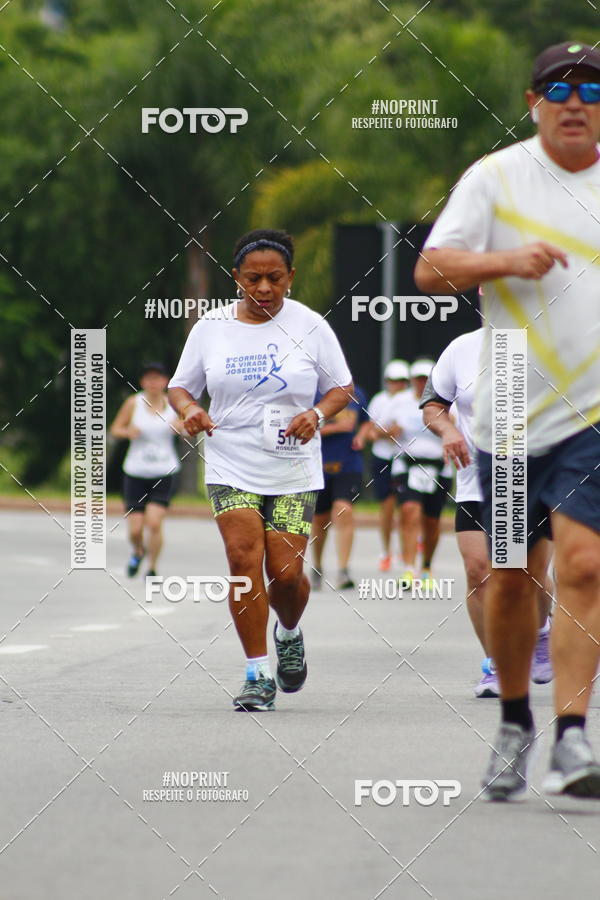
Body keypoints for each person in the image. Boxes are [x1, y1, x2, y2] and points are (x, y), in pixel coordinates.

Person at [415, 42, 600, 799]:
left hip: (593, 414)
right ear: (533, 102)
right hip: (514, 414)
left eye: (592, 90)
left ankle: (573, 736)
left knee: (584, 565)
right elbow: (431, 268)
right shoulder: (495, 177)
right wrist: (504, 261)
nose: (576, 102)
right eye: (559, 89)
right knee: (515, 576)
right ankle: (516, 722)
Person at [168, 229, 353, 712]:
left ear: (291, 276)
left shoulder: (310, 325)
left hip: (293, 465)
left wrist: (317, 414)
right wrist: (190, 409)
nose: (265, 288)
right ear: (237, 278)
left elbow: (342, 388)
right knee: (241, 559)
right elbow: (180, 387)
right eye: (253, 279)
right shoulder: (211, 327)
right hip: (230, 461)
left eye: (275, 278)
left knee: (286, 574)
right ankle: (257, 673)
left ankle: (288, 632)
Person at [420, 328, 554, 697]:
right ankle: (495, 664)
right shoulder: (461, 348)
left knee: (528, 573)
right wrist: (448, 431)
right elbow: (432, 405)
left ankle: (542, 631)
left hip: (533, 478)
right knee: (479, 572)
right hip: (475, 480)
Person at [110, 362, 183, 577]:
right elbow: (115, 429)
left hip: (164, 471)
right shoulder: (133, 403)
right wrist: (128, 432)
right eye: (149, 378)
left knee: (154, 523)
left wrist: (180, 428)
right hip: (135, 472)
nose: (153, 382)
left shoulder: (173, 405)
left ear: (165, 381)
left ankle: (152, 567)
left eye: (157, 378)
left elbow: (188, 428)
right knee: (135, 530)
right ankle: (138, 551)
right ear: (143, 382)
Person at [389, 359, 452, 588]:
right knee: (409, 511)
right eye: (418, 379)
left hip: (438, 466)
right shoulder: (399, 401)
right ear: (412, 380)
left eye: (426, 379)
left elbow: (458, 427)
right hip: (408, 465)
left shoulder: (447, 400)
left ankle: (426, 567)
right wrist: (391, 431)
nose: (422, 383)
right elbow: (378, 429)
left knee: (432, 520)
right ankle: (408, 568)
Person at [310, 385, 368, 591]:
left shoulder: (356, 393)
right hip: (319, 465)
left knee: (344, 510)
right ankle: (317, 567)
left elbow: (364, 422)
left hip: (348, 465)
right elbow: (306, 428)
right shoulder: (312, 393)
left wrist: (361, 436)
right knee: (319, 519)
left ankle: (343, 570)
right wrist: (337, 427)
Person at [354, 360, 410, 571]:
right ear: (387, 381)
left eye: (401, 380)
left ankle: (406, 551)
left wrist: (382, 432)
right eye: (393, 380)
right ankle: (386, 552)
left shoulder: (410, 400)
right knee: (386, 506)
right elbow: (370, 432)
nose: (397, 384)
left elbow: (402, 430)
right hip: (383, 458)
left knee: (408, 507)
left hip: (404, 458)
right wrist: (387, 432)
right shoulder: (379, 400)